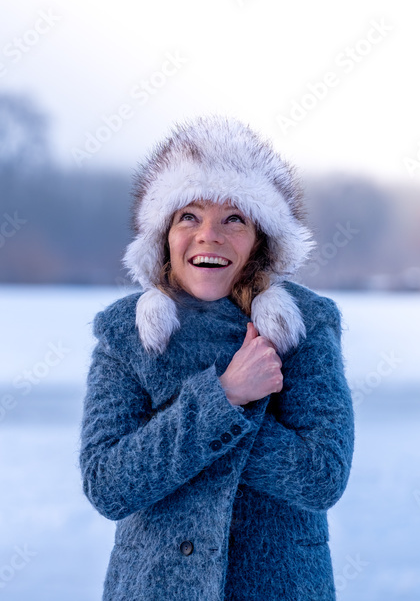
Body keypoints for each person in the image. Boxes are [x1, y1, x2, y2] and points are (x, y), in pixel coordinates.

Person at [78, 115, 354, 601]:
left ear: (261, 239)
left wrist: (188, 422)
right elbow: (108, 485)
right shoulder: (126, 333)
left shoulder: (305, 325)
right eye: (190, 216)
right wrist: (225, 398)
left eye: (234, 219)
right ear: (163, 234)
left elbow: (320, 477)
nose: (210, 235)